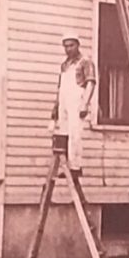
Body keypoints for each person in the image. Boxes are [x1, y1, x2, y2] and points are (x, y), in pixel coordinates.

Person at [51, 31, 97, 178]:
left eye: (71, 45)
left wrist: (85, 103)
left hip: (76, 99)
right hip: (64, 99)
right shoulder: (64, 65)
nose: (68, 49)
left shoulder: (85, 61)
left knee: (74, 132)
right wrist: (56, 106)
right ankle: (65, 165)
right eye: (65, 46)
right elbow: (60, 87)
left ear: (77, 45)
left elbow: (90, 82)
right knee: (62, 131)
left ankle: (75, 166)